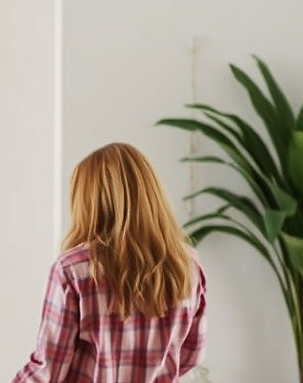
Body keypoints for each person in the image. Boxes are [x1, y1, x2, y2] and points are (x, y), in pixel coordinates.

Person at [13, 143, 207, 383]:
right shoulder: (187, 265)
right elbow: (190, 355)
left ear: (89, 203)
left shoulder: (72, 270)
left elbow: (48, 370)